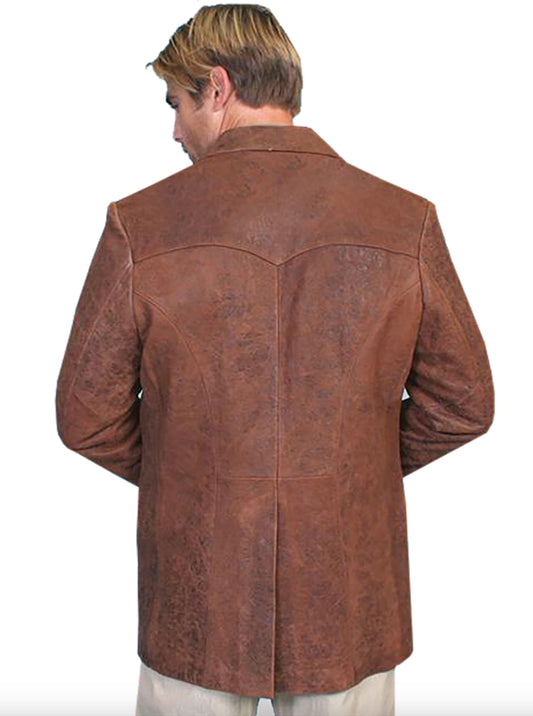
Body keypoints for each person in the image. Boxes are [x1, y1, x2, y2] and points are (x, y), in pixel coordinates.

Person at [55, 4, 495, 715]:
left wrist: (199, 479)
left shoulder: (140, 225)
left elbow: (86, 418)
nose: (174, 131)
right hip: (345, 592)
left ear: (217, 87)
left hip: (199, 593)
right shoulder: (402, 219)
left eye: (175, 104)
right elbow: (462, 405)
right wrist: (347, 470)